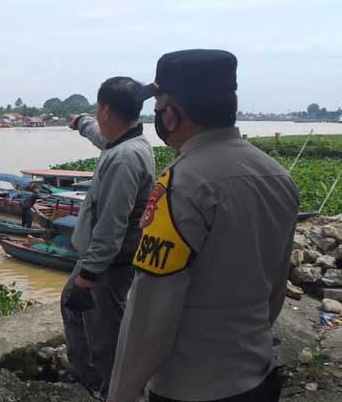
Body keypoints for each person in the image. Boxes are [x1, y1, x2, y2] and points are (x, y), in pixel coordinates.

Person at [108, 50, 299, 402]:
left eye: (158, 107)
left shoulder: (181, 185)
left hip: (191, 386)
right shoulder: (277, 176)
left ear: (172, 114)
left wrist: (121, 393)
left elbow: (150, 312)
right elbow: (274, 287)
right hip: (258, 374)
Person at [61, 77, 156, 398]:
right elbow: (102, 138)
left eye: (95, 109)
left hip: (107, 264)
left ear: (105, 109)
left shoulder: (125, 159)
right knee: (74, 310)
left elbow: (111, 226)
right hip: (103, 260)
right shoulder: (126, 143)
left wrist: (87, 278)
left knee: (104, 330)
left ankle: (112, 389)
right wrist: (81, 123)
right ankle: (91, 377)